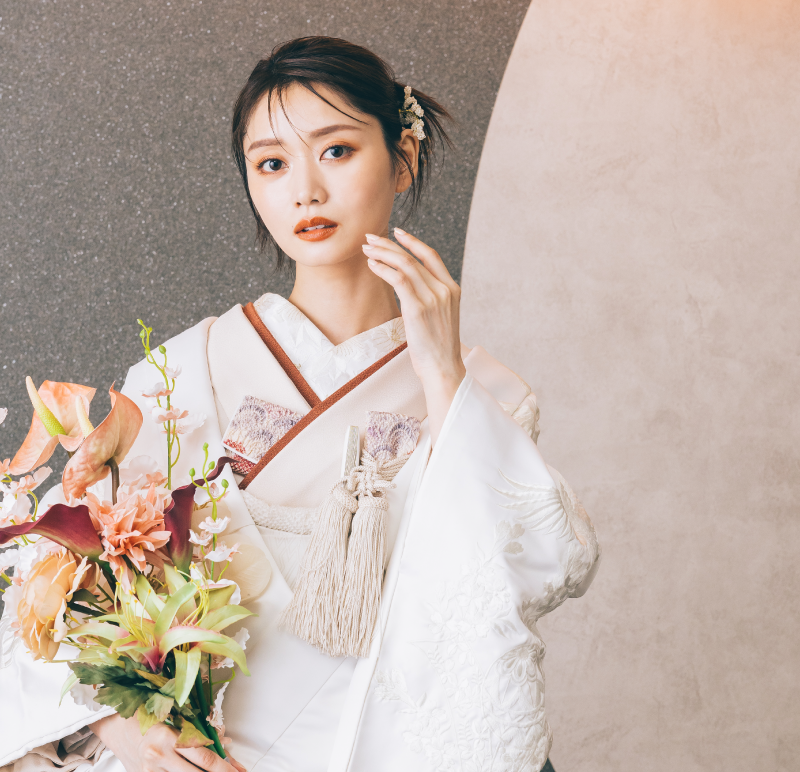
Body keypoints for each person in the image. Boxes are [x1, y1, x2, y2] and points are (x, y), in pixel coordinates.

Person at [0, 37, 598, 772]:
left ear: (403, 157)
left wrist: (443, 371)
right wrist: (126, 726)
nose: (305, 190)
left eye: (337, 151)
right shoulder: (188, 367)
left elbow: (529, 574)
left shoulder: (483, 392)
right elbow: (64, 590)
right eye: (272, 164)